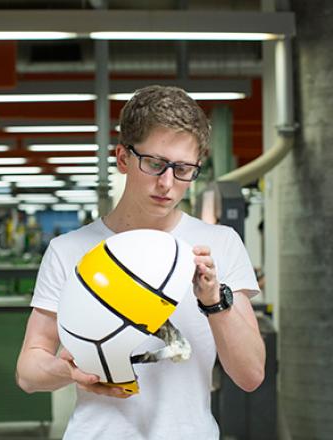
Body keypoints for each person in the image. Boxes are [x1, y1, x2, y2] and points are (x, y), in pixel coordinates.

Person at [16, 85, 265, 440]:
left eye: (183, 169)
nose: (167, 183)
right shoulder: (69, 249)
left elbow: (251, 375)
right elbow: (28, 371)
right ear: (122, 158)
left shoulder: (218, 245)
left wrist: (214, 301)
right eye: (154, 164)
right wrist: (68, 371)